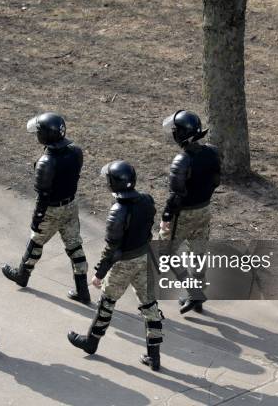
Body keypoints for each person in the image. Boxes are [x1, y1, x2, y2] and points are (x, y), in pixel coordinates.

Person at [67, 161, 164, 371]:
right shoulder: (146, 200)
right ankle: (154, 356)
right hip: (145, 257)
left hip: (124, 264)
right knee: (150, 306)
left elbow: (112, 249)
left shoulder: (117, 211)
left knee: (107, 303)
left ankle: (91, 342)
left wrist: (99, 274)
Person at [1, 112, 90, 304]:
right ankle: (83, 290)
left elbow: (43, 196)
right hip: (71, 205)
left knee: (36, 242)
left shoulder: (46, 162)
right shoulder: (76, 151)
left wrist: (37, 218)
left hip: (52, 210)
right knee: (75, 245)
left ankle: (22, 275)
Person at [159, 110, 221, 314]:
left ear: (180, 134)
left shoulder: (182, 161)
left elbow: (176, 195)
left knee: (165, 254)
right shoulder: (212, 152)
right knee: (199, 255)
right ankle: (197, 298)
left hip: (183, 215)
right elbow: (216, 181)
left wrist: (166, 217)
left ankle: (194, 293)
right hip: (204, 210)